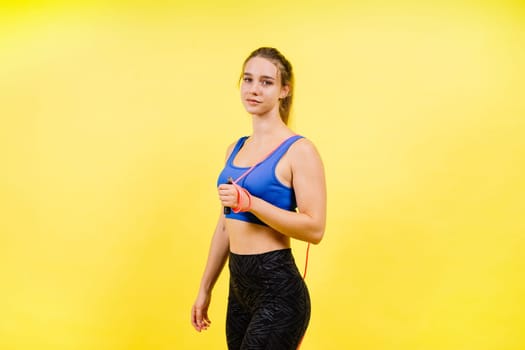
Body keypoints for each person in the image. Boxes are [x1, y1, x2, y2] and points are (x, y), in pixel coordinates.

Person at [191, 47, 327, 350]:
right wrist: (205, 288)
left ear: (284, 90)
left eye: (266, 82)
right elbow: (225, 226)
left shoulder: (299, 150)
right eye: (248, 79)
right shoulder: (235, 149)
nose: (254, 89)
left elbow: (315, 229)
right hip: (238, 288)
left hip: (277, 290)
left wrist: (251, 203)